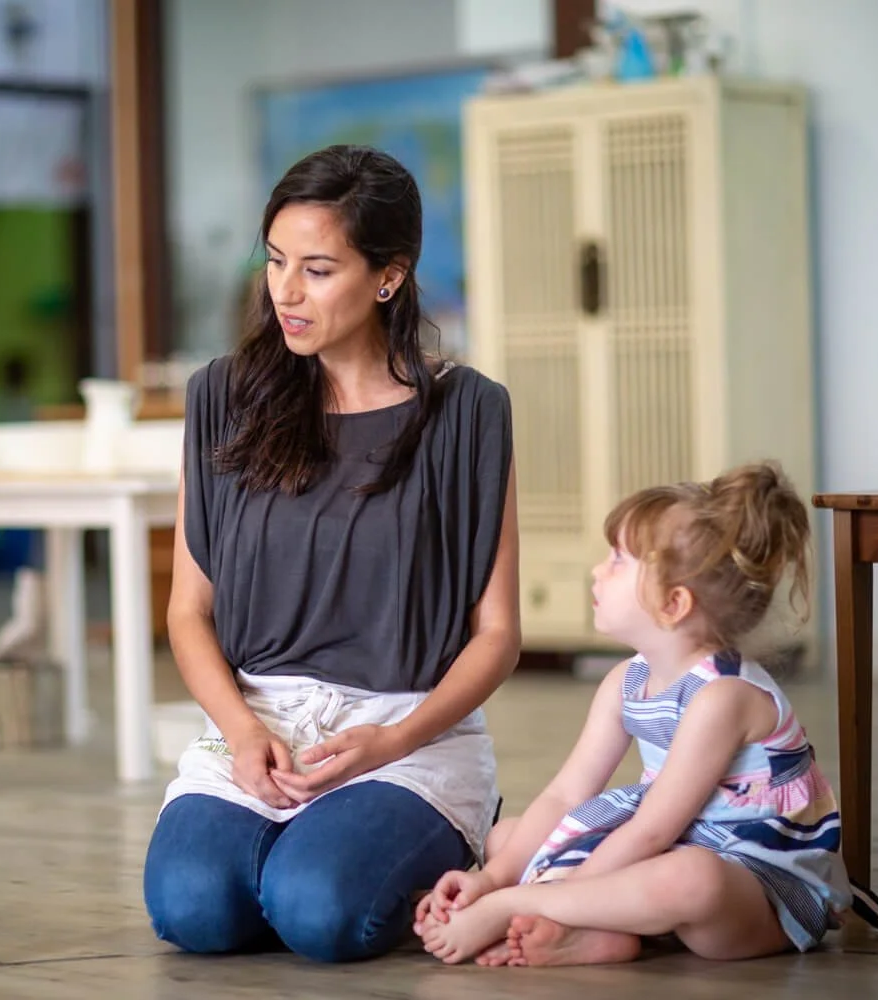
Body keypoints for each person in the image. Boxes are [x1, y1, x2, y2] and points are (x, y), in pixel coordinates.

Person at [141, 144, 521, 963]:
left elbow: (497, 633)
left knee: (317, 912)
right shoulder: (222, 397)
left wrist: (393, 742)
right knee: (192, 909)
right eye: (275, 261)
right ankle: (313, 851)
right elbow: (189, 611)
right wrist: (241, 733)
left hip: (402, 732)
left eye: (317, 269)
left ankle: (432, 832)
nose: (285, 291)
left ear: (389, 276)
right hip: (262, 725)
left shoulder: (467, 413)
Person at [414, 462, 878, 967]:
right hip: (676, 841)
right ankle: (603, 935)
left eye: (617, 559)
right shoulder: (623, 683)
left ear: (674, 603)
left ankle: (565, 919)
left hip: (758, 885)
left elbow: (653, 830)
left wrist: (518, 899)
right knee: (509, 836)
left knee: (691, 878)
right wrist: (491, 877)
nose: (597, 569)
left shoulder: (724, 697)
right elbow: (567, 793)